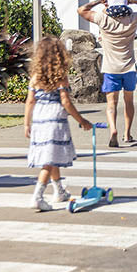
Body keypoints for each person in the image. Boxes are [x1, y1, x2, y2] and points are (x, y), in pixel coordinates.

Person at [77, 0, 137, 147]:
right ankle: (127, 134)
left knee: (111, 104)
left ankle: (113, 130)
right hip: (128, 67)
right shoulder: (133, 19)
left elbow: (81, 10)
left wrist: (97, 1)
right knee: (128, 101)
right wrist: (136, 0)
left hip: (111, 68)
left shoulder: (103, 19)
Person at [24, 36, 92, 211]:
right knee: (49, 160)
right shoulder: (60, 77)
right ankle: (37, 196)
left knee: (50, 155)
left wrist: (26, 123)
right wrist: (81, 120)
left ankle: (59, 190)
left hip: (39, 118)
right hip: (54, 117)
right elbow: (66, 102)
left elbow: (30, 101)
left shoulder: (35, 77)